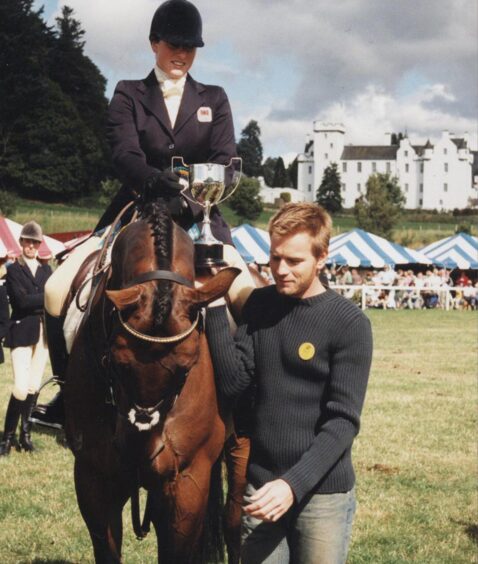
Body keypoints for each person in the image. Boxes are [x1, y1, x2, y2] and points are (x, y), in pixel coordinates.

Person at [34, 0, 254, 430]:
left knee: (249, 294)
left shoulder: (215, 98)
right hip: (135, 209)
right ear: (154, 43)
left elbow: (225, 159)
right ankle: (68, 391)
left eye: (191, 47)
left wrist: (191, 197)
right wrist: (153, 182)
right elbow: (123, 151)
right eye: (174, 44)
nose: (182, 55)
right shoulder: (129, 93)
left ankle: (250, 397)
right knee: (57, 290)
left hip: (200, 216)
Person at [206, 203, 373, 563]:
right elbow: (234, 385)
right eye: (274, 257)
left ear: (322, 257)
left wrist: (292, 485)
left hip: (322, 496)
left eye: (294, 261)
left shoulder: (350, 324)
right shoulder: (261, 305)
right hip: (262, 490)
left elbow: (343, 422)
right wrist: (215, 306)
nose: (280, 270)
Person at [0, 221, 52, 455]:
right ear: (21, 242)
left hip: (42, 335)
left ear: (39, 245)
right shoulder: (12, 270)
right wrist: (44, 296)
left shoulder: (46, 270)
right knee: (20, 388)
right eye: (27, 241)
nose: (30, 245)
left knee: (33, 387)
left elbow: (36, 300)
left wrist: (36, 298)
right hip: (21, 332)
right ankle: (6, 439)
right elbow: (20, 302)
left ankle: (25, 435)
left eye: (35, 242)